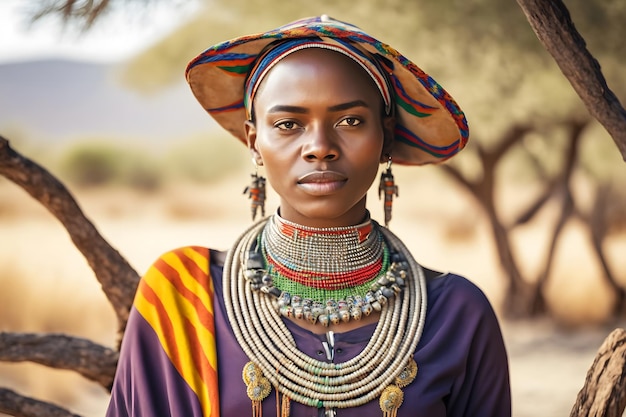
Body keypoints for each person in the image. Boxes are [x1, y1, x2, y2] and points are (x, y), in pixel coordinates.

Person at [106, 15, 511, 417]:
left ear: (385, 136)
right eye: (288, 124)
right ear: (254, 142)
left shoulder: (457, 314)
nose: (319, 147)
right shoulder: (183, 297)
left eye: (350, 120)